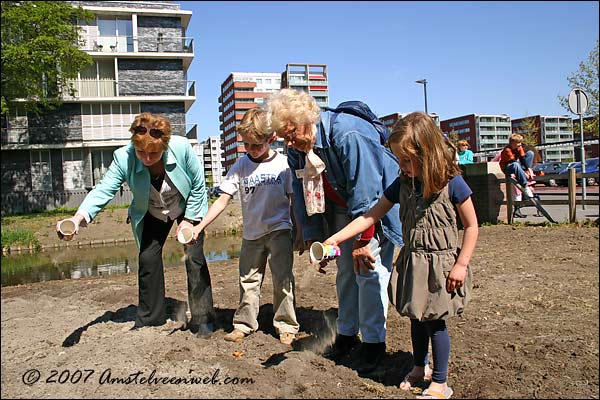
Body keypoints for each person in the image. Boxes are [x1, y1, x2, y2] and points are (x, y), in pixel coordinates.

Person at [322, 112, 478, 399]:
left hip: (441, 265)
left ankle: (441, 382)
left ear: (427, 152)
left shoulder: (452, 183)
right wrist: (336, 238)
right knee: (416, 317)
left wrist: (462, 264)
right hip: (414, 260)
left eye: (407, 160)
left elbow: (471, 225)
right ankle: (420, 367)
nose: (402, 167)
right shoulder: (402, 184)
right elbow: (371, 215)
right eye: (399, 160)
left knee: (435, 321)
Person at [266, 89, 403, 373]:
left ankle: (374, 343)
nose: (289, 143)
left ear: (307, 118)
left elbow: (368, 193)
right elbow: (302, 191)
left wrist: (363, 241)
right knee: (345, 271)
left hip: (376, 207)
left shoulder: (348, 134)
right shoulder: (297, 148)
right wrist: (315, 237)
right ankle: (347, 334)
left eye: (291, 134)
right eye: (284, 138)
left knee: (368, 271)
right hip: (342, 208)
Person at [56, 112, 215, 337]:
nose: (147, 159)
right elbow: (104, 188)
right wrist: (77, 218)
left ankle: (203, 318)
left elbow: (198, 186)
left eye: (153, 153)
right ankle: (151, 318)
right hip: (151, 209)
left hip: (185, 204)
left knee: (194, 256)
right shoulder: (124, 157)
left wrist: (189, 220)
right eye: (142, 152)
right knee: (147, 258)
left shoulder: (181, 148)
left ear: (165, 146)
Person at [190, 108, 299, 345]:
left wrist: (299, 230)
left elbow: (293, 200)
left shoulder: (283, 164)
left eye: (255, 145)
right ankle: (243, 324)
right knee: (248, 280)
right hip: (251, 235)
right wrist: (199, 227)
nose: (250, 150)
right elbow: (222, 199)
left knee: (283, 279)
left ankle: (286, 324)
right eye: (246, 145)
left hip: (280, 230)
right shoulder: (241, 166)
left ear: (271, 139)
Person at [499, 133, 535, 199]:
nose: (520, 144)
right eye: (518, 143)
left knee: (530, 153)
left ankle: (523, 172)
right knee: (516, 165)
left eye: (520, 142)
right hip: (508, 168)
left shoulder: (519, 147)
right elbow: (513, 162)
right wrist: (524, 173)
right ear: (512, 143)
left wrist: (529, 169)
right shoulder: (507, 150)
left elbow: (522, 158)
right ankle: (525, 186)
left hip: (516, 165)